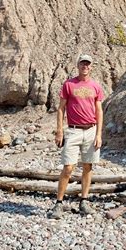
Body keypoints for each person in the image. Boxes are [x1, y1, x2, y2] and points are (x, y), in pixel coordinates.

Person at [48, 54, 104, 219]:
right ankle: (59, 203)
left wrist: (99, 134)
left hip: (91, 130)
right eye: (82, 63)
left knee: (88, 167)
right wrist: (59, 130)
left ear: (91, 66)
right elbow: (61, 109)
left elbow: (99, 111)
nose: (85, 66)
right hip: (73, 131)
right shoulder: (69, 84)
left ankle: (84, 201)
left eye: (87, 64)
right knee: (68, 168)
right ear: (78, 65)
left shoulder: (96, 86)